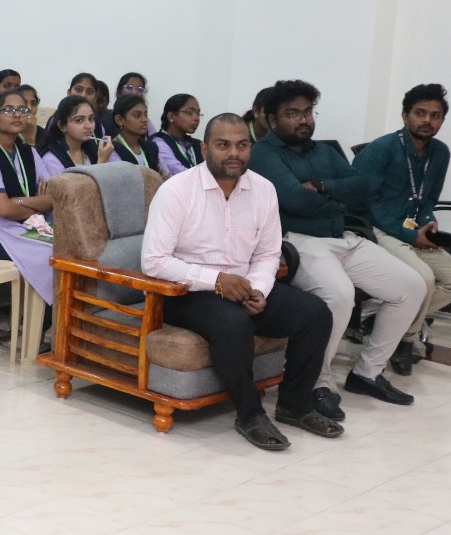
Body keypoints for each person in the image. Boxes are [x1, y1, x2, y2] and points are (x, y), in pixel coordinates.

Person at [143, 114, 342, 450]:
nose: (233, 153)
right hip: (186, 292)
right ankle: (250, 415)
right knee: (233, 323)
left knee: (315, 313)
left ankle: (295, 405)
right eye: (223, 145)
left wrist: (259, 289)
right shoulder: (176, 191)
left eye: (242, 145)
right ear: (205, 148)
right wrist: (217, 281)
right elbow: (154, 261)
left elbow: (268, 253)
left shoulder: (263, 190)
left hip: (245, 285)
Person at [249, 80, 426, 413]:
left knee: (411, 285)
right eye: (292, 113)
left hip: (342, 236)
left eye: (307, 112)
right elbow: (294, 199)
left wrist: (321, 186)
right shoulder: (263, 154)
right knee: (340, 295)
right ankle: (316, 383)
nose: (303, 120)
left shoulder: (323, 150)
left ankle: (367, 373)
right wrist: (337, 198)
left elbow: (364, 185)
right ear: (272, 119)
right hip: (299, 241)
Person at [354, 83, 451, 374]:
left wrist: (428, 222)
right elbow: (364, 204)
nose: (427, 121)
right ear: (405, 115)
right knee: (424, 279)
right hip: (377, 229)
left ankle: (388, 321)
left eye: (435, 115)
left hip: (413, 228)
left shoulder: (440, 153)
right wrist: (411, 235)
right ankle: (405, 340)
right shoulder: (382, 149)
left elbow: (428, 199)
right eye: (420, 113)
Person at [0, 90, 55, 340]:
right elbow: (3, 211)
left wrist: (19, 201)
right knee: (50, 258)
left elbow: (53, 198)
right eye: (8, 110)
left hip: (30, 227)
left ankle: (42, 326)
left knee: (67, 249)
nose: (17, 114)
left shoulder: (28, 151)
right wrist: (36, 203)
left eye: (22, 110)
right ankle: (35, 334)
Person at [38, 94, 111, 180]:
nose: (88, 126)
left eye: (91, 119)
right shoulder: (51, 159)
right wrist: (102, 162)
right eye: (79, 120)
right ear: (62, 126)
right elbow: (73, 189)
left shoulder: (91, 150)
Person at [109, 95, 165, 175]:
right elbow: (123, 178)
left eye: (145, 114)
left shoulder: (152, 147)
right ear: (119, 120)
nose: (144, 120)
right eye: (137, 115)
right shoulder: (111, 148)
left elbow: (167, 176)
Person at [150, 94, 203, 176]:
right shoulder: (158, 143)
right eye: (190, 112)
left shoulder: (196, 144)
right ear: (171, 116)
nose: (196, 118)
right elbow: (179, 173)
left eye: (198, 114)